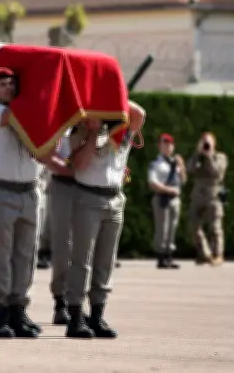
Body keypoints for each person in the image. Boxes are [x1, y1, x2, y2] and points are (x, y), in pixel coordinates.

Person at [0, 67, 64, 338]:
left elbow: (46, 147)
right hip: (1, 189)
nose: (9, 88)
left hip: (29, 189)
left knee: (26, 255)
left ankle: (18, 309)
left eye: (12, 84)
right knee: (1, 255)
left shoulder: (27, 114)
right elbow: (11, 117)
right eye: (2, 84)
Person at [64, 101, 145, 339]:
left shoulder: (122, 130)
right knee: (82, 261)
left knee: (105, 262)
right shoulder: (78, 132)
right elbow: (79, 164)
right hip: (88, 197)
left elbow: (139, 114)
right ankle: (75, 316)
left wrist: (112, 99)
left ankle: (97, 314)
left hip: (115, 198)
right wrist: (93, 130)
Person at [46, 126, 78, 326]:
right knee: (63, 245)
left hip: (89, 186)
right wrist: (71, 171)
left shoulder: (93, 121)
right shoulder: (60, 124)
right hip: (63, 184)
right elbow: (49, 157)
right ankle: (61, 301)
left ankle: (79, 301)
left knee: (85, 248)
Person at [186, 132, 227, 266]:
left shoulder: (220, 157)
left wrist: (208, 157)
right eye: (204, 142)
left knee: (215, 226)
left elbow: (216, 172)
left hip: (213, 193)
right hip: (198, 193)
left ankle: (218, 254)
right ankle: (205, 253)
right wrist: (197, 155)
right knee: (193, 224)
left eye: (208, 143)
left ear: (214, 144)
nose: (206, 145)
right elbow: (189, 169)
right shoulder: (197, 157)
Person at [147, 133, 185, 269]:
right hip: (162, 198)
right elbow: (152, 183)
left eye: (170, 144)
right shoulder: (156, 164)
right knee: (162, 228)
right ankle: (161, 257)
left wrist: (182, 166)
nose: (168, 146)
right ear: (159, 146)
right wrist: (168, 190)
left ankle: (169, 256)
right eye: (165, 143)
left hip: (175, 199)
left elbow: (183, 180)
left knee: (172, 228)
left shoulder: (175, 163)